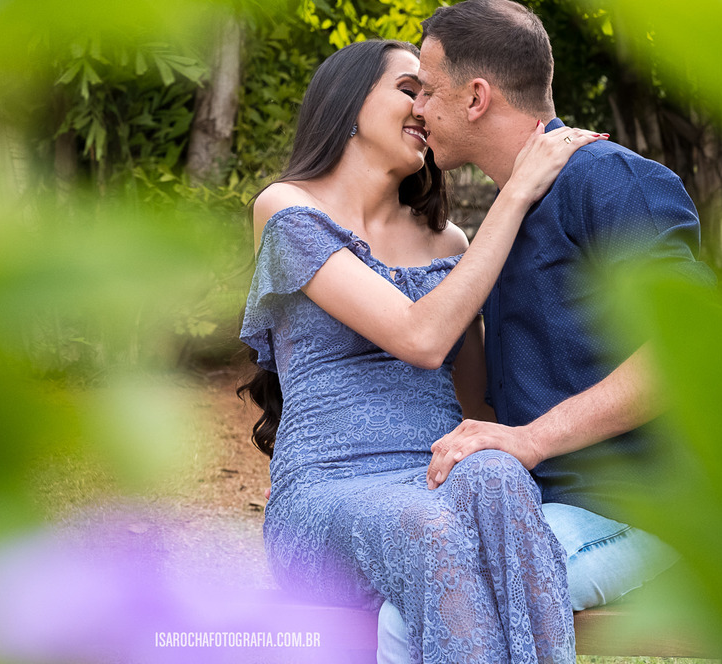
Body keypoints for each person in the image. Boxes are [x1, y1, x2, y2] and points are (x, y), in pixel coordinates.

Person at [239, 37, 605, 663]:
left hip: (435, 477)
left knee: (499, 475)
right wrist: (516, 192)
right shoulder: (286, 210)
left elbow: (475, 406)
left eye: (430, 94)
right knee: (431, 528)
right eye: (409, 89)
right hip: (329, 493)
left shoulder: (448, 244)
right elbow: (421, 337)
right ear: (349, 103)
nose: (424, 107)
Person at [376, 0, 713, 661]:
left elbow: (688, 354)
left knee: (442, 604)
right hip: (533, 507)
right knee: (407, 600)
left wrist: (531, 440)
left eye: (429, 91)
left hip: (635, 508)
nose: (418, 110)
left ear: (477, 98)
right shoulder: (510, 215)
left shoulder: (608, 180)